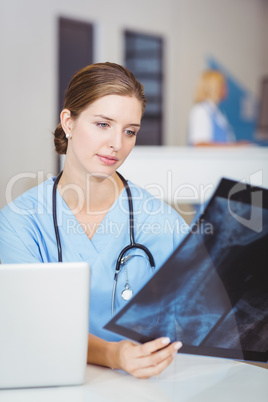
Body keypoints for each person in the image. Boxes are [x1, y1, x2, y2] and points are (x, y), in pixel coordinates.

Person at [0, 62, 188, 379]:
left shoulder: (163, 221)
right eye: (103, 124)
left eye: (130, 131)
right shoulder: (19, 223)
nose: (118, 143)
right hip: (54, 383)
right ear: (68, 122)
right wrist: (113, 354)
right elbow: (28, 325)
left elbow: (208, 316)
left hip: (150, 387)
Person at [188, 70, 235, 145]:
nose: (227, 89)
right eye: (223, 86)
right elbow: (200, 145)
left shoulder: (215, 112)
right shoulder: (201, 111)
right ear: (214, 87)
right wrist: (235, 148)